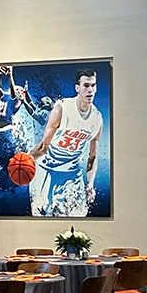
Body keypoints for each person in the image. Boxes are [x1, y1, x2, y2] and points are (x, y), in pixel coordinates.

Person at [29, 70, 105, 219]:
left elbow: (92, 157)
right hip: (47, 170)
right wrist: (27, 159)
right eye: (86, 85)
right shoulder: (62, 109)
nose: (90, 90)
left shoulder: (97, 119)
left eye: (93, 86)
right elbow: (44, 145)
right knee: (42, 218)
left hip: (72, 174)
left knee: (78, 220)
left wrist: (90, 184)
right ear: (77, 88)